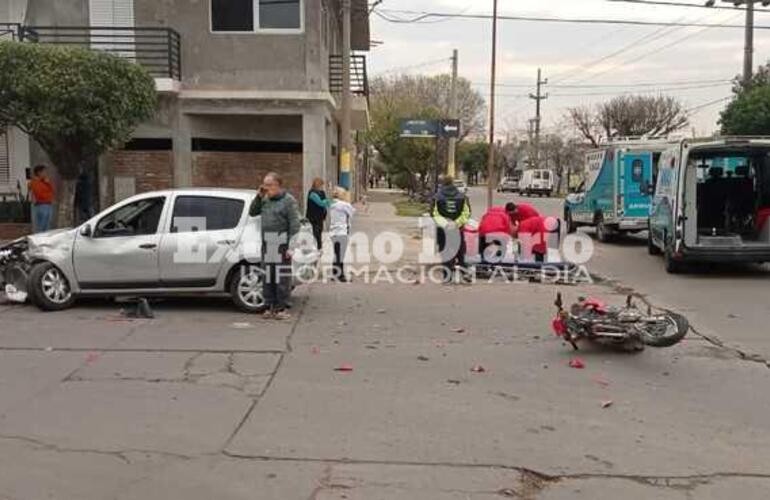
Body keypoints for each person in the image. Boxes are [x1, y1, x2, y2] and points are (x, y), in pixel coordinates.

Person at [249, 172, 301, 320]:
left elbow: (295, 225)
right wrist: (258, 196)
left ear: (278, 186)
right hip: (268, 242)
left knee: (281, 277)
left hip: (281, 242)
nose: (266, 188)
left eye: (269, 185)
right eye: (264, 185)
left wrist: (291, 246)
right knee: (268, 275)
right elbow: (252, 212)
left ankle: (281, 308)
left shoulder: (288, 201)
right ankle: (269, 305)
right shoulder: (264, 199)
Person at [432, 176, 471, 282]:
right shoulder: (462, 197)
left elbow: (434, 214)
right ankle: (465, 273)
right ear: (453, 183)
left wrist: (446, 224)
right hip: (458, 229)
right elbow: (466, 213)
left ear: (443, 184)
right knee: (460, 251)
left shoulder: (437, 197)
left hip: (443, 230)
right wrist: (456, 224)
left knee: (445, 252)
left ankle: (447, 276)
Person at [329, 187, 355, 282]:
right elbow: (352, 212)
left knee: (337, 253)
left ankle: (335, 273)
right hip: (342, 231)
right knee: (341, 254)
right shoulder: (344, 205)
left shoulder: (332, 204)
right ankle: (340, 276)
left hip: (333, 232)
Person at [28, 165, 55, 233]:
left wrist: (48, 184)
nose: (45, 174)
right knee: (41, 226)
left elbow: (52, 191)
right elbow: (39, 194)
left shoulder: (45, 182)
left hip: (48, 204)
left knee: (48, 225)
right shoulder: (35, 182)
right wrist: (48, 196)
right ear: (39, 173)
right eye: (44, 172)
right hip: (41, 205)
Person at [306, 178, 330, 251]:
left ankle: (319, 248)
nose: (322, 187)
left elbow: (326, 204)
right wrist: (328, 201)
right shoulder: (312, 193)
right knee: (315, 233)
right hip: (313, 217)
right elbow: (321, 203)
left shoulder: (322, 192)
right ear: (317, 185)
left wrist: (326, 202)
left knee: (319, 232)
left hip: (320, 217)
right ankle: (316, 248)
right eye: (321, 185)